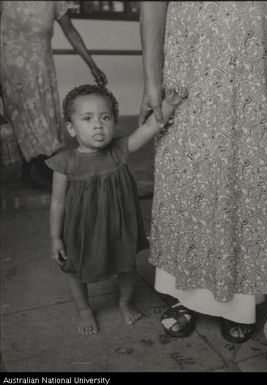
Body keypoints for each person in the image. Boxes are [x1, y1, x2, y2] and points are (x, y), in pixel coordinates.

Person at [139, 1, 267, 343]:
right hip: (187, 74)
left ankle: (240, 304)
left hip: (252, 77)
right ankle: (183, 296)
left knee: (247, 181)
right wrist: (151, 79)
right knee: (187, 174)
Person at [45, 84, 187, 335]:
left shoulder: (119, 150)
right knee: (74, 269)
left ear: (114, 122)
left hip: (118, 225)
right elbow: (57, 203)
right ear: (71, 127)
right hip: (81, 230)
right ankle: (84, 309)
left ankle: (125, 301)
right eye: (87, 118)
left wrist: (169, 104)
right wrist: (55, 237)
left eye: (105, 117)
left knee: (126, 265)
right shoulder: (65, 163)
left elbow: (149, 128)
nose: (98, 125)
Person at [0, 1, 107, 184]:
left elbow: (70, 31)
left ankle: (31, 169)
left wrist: (92, 65)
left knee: (41, 119)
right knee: (27, 119)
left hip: (41, 73)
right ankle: (40, 167)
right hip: (10, 72)